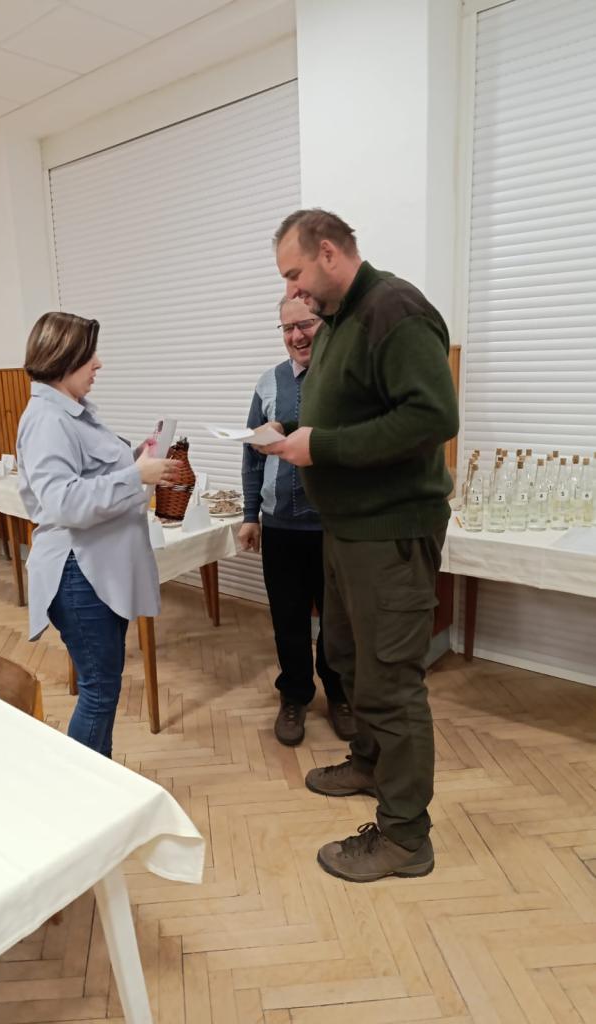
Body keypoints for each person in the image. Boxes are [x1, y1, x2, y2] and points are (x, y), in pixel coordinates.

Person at [267, 208, 459, 883]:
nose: (293, 289)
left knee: (391, 683)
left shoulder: (393, 309)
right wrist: (294, 435)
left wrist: (319, 446)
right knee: (348, 660)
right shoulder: (341, 318)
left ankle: (405, 837)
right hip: (347, 530)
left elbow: (432, 416)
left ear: (328, 252)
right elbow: (351, 412)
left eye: (295, 272)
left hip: (390, 533)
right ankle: (372, 765)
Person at [17, 312, 178, 757]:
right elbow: (63, 502)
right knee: (99, 689)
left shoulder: (71, 412)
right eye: (90, 355)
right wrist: (136, 475)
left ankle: (94, 780)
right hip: (78, 572)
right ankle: (86, 786)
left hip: (94, 568)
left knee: (103, 685)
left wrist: (137, 458)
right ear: (63, 357)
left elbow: (89, 474)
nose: (98, 363)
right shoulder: (48, 419)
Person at [239, 296, 355, 747]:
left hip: (333, 527)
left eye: (305, 324)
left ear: (324, 323)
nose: (296, 336)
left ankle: (340, 693)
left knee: (338, 622)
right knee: (287, 618)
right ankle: (294, 695)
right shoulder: (267, 382)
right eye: (287, 328)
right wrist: (250, 515)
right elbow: (251, 454)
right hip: (280, 527)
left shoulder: (346, 377)